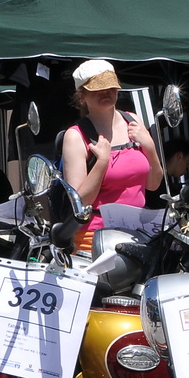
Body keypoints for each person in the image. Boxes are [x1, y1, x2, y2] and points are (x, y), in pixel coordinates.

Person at [60, 60, 160, 256]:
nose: (106, 92)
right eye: (98, 89)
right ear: (82, 95)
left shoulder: (134, 121)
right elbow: (79, 203)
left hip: (137, 234)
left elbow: (154, 184)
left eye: (110, 87)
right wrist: (102, 162)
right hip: (95, 239)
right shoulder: (75, 136)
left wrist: (149, 146)